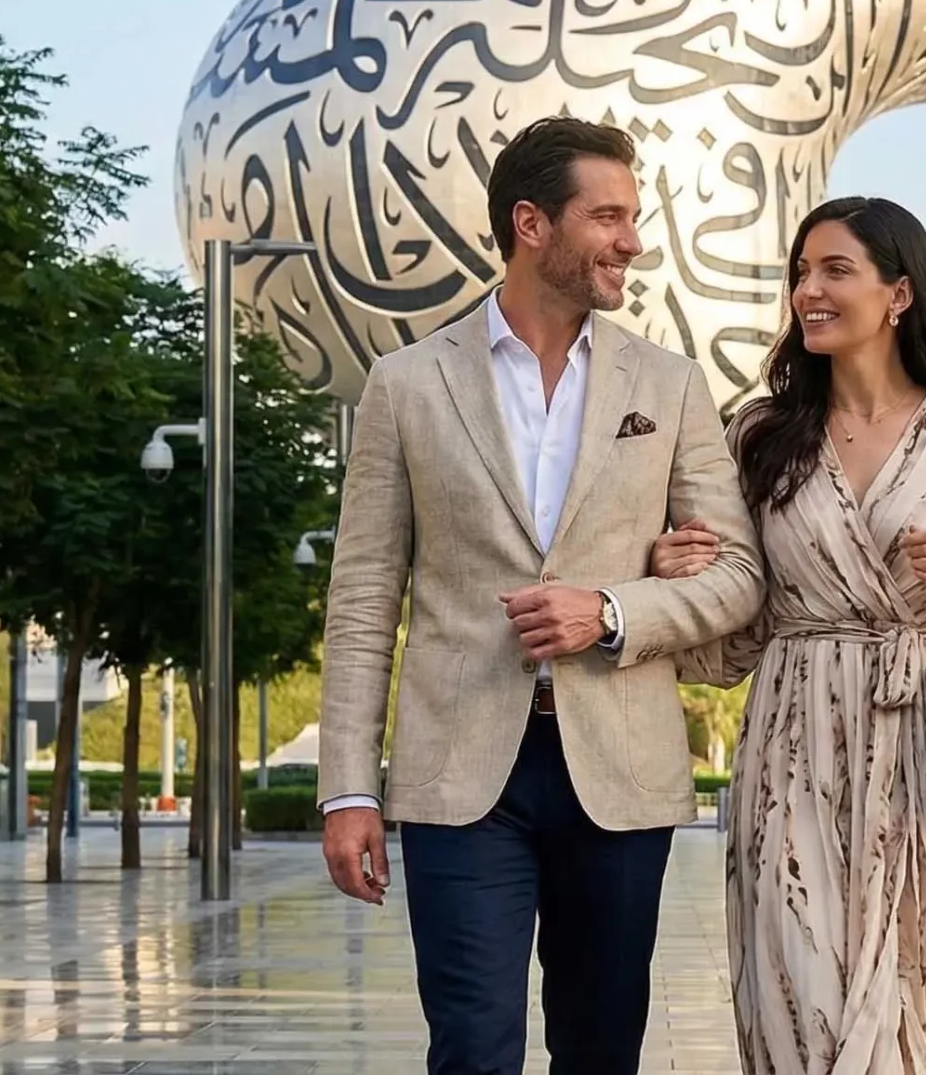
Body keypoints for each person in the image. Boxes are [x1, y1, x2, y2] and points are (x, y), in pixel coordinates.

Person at [317, 114, 765, 1075]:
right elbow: (361, 601)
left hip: (621, 769)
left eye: (632, 218)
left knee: (600, 1052)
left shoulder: (672, 384)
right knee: (473, 1049)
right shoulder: (405, 385)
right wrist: (347, 788)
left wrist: (611, 610)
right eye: (607, 217)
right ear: (531, 223)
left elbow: (739, 575)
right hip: (460, 774)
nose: (631, 242)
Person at [652, 196, 926, 1074]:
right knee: (802, 1004)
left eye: (835, 270)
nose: (808, 291)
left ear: (899, 293)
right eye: (801, 272)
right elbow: (728, 644)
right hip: (793, 748)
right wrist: (679, 576)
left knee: (923, 999)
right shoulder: (760, 436)